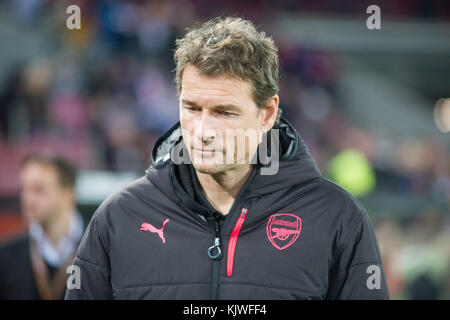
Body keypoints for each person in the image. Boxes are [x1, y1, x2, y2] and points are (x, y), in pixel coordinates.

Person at [65, 17, 389, 300]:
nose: (203, 130)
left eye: (224, 112)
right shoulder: (119, 218)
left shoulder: (338, 220)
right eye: (192, 109)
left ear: (268, 113)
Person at [0, 154, 84, 299]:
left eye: (39, 190)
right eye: (24, 190)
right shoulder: (5, 255)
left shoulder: (103, 250)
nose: (28, 199)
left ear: (68, 193)